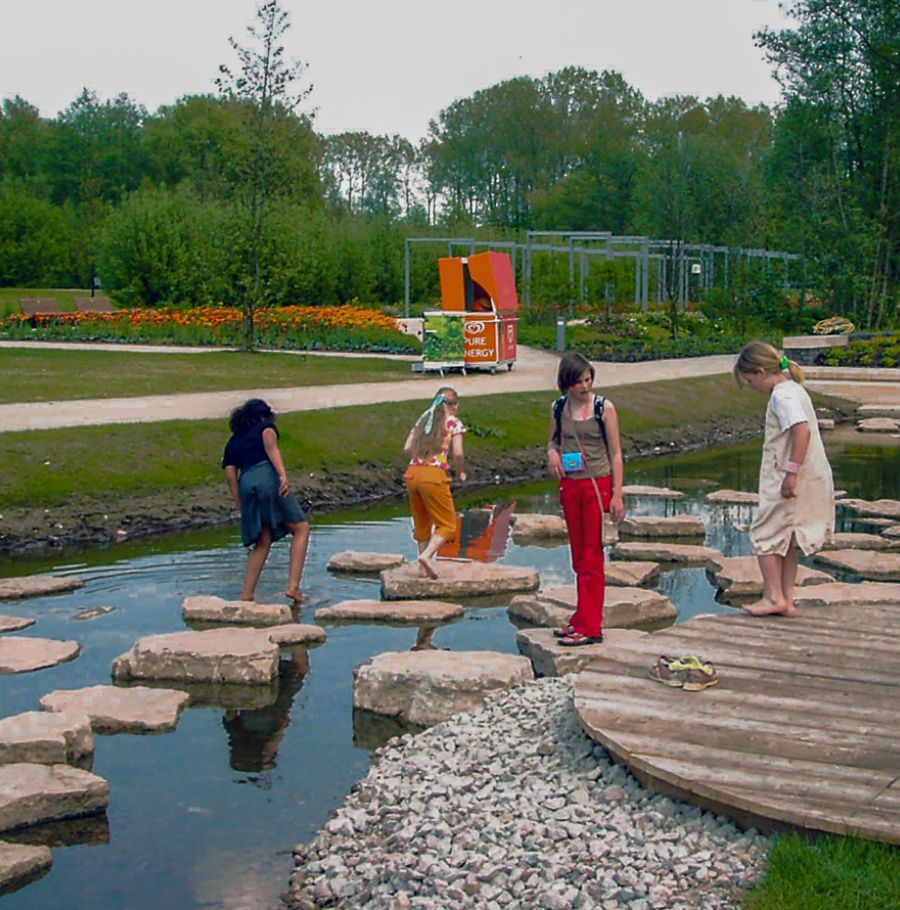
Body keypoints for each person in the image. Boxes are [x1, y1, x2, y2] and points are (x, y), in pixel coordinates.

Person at [734, 341, 834, 616]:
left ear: (760, 372)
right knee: (786, 537)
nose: (751, 385)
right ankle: (787, 599)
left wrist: (791, 473)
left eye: (749, 379)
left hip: (786, 475)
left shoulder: (782, 396)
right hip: (801, 474)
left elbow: (801, 432)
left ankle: (773, 596)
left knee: (764, 534)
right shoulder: (794, 389)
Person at [547, 352, 625, 646]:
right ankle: (581, 616)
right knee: (578, 555)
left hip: (597, 484)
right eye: (578, 381)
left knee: (593, 555)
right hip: (571, 484)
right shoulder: (558, 408)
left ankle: (591, 627)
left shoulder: (604, 408)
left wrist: (617, 494)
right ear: (566, 383)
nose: (584, 386)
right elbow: (553, 441)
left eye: (588, 380)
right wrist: (552, 453)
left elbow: (616, 453)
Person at [222, 399, 310, 604]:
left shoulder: (233, 442)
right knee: (301, 528)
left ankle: (246, 595)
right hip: (266, 477)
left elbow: (230, 475)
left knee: (262, 541)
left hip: (246, 483)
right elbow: (271, 447)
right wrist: (282, 476)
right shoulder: (265, 427)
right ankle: (293, 587)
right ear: (263, 415)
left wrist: (240, 503)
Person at [403, 386, 466, 579]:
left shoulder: (424, 420)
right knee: (447, 524)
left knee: (422, 522)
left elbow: (406, 448)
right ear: (454, 405)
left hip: (412, 474)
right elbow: (458, 453)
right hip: (434, 476)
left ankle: (422, 571)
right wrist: (459, 471)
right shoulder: (453, 423)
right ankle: (427, 556)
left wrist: (422, 456)